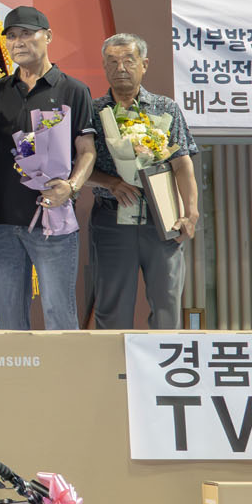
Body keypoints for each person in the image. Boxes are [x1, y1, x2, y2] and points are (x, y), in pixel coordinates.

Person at [0, 6, 96, 331]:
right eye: (11, 36)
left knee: (58, 312)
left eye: (26, 33)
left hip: (53, 220)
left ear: (48, 36)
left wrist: (72, 186)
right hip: (3, 222)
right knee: (9, 315)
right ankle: (16, 368)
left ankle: (64, 368)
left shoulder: (73, 90)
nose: (18, 42)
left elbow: (87, 150)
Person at [85, 32, 198, 330]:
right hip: (111, 218)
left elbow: (182, 163)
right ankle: (110, 361)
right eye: (112, 61)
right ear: (104, 66)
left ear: (144, 64)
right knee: (111, 305)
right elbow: (80, 167)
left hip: (162, 219)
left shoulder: (166, 108)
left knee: (167, 302)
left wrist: (190, 213)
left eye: (128, 60)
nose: (120, 68)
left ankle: (167, 358)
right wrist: (111, 183)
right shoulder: (93, 111)